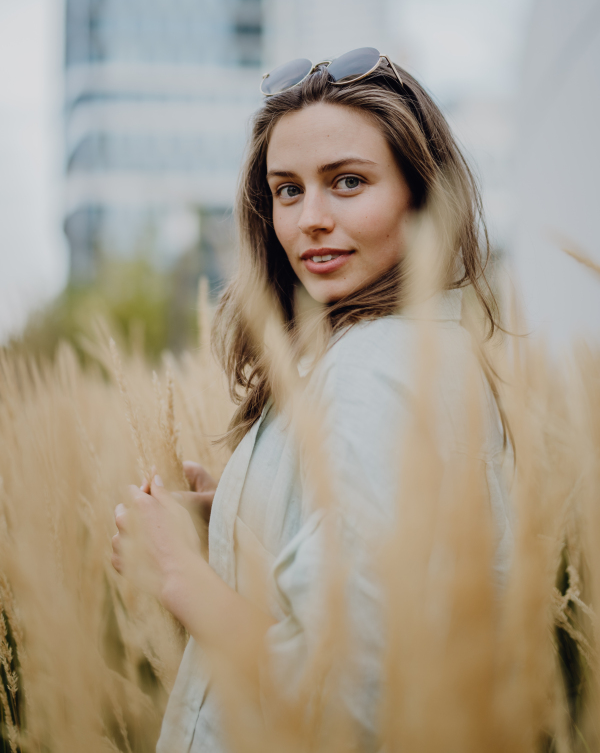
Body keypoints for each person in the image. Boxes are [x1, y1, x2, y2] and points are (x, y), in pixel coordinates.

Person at [111, 48, 512, 752]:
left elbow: (343, 695)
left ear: (423, 194)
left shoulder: (376, 369)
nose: (308, 220)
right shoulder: (413, 351)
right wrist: (231, 512)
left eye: (348, 182)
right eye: (287, 190)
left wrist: (176, 570)